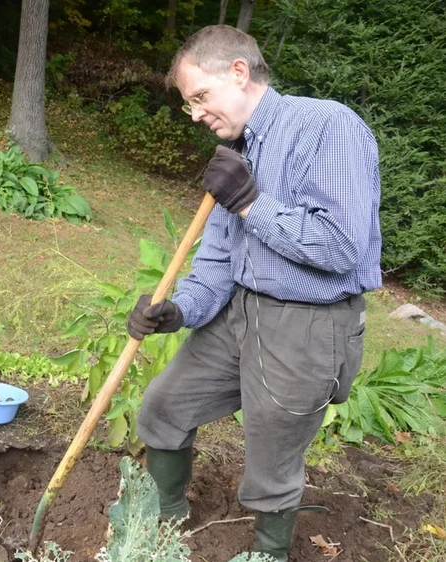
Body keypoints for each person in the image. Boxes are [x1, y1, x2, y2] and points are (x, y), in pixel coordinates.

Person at [127, 25, 381, 561]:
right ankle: (162, 523)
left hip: (306, 326)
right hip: (237, 314)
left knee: (270, 463)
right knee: (163, 407)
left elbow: (342, 247)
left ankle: (267, 554)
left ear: (239, 74)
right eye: (188, 104)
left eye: (200, 97)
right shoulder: (235, 150)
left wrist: (250, 203)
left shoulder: (325, 126)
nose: (195, 114)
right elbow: (218, 259)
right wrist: (178, 310)